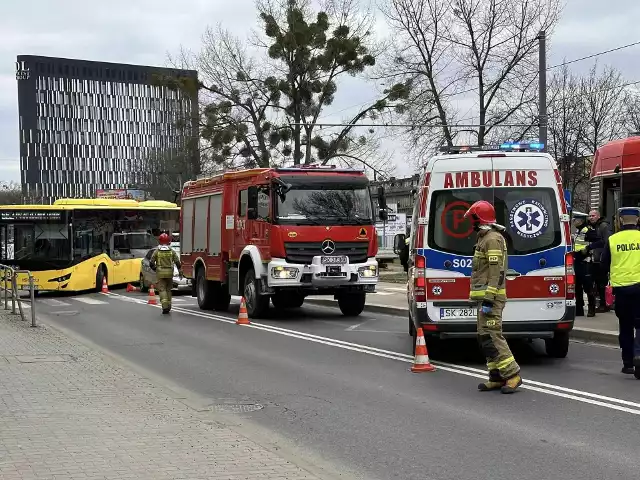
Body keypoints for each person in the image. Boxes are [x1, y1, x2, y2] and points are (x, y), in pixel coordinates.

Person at [463, 200, 522, 394]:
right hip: (485, 299)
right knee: (484, 337)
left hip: (492, 299)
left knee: (494, 335)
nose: (470, 224)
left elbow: (497, 273)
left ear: (479, 219)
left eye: (472, 219)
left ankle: (512, 375)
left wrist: (489, 298)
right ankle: (496, 376)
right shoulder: (483, 238)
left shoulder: (493, 239)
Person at [601, 207, 640, 378]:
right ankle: (639, 354)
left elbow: (603, 264)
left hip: (621, 290)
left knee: (625, 326)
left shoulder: (612, 239)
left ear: (621, 220)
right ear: (637, 220)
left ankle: (628, 363)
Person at [584, 209, 611, 312]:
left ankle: (604, 305)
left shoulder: (603, 226)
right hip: (592, 259)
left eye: (593, 216)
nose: (591, 218)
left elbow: (607, 241)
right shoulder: (591, 227)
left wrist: (593, 247)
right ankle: (599, 304)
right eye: (590, 216)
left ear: (598, 216)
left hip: (600, 259)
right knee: (594, 283)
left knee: (601, 283)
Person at [150, 232, 182, 314]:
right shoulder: (171, 251)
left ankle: (165, 307)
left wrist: (155, 269)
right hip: (170, 273)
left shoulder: (157, 251)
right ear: (168, 241)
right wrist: (180, 271)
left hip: (160, 273)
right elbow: (177, 262)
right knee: (168, 289)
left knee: (162, 289)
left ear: (159, 241)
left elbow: (151, 262)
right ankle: (169, 305)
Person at [571, 213, 596, 317]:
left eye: (575, 220)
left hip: (586, 263)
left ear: (580, 221)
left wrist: (588, 249)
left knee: (588, 287)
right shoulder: (578, 231)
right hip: (577, 262)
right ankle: (579, 309)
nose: (573, 222)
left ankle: (591, 308)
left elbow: (600, 241)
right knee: (577, 287)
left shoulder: (588, 231)